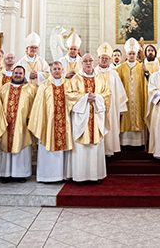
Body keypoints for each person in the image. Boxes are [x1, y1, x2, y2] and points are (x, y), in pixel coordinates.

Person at [65, 53, 110, 182]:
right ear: (81, 63)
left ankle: (96, 176)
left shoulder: (101, 78)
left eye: (90, 60)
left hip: (96, 117)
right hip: (81, 118)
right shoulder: (75, 79)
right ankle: (80, 176)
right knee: (80, 147)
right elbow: (69, 95)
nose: (88, 63)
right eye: (85, 61)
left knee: (95, 146)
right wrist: (85, 98)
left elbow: (107, 94)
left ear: (94, 62)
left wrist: (97, 97)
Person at [29, 61, 74, 183]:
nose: (57, 71)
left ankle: (61, 175)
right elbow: (38, 106)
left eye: (59, 68)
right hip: (48, 123)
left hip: (64, 122)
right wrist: (41, 122)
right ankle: (46, 176)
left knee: (62, 150)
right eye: (54, 69)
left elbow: (74, 100)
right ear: (50, 70)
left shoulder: (69, 84)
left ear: (63, 70)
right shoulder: (44, 85)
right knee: (46, 149)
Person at [0, 65, 36, 181]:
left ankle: (20, 174)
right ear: (12, 74)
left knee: (21, 146)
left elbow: (34, 106)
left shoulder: (30, 88)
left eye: (20, 73)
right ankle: (5, 174)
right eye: (16, 73)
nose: (18, 75)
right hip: (6, 125)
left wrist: (30, 121)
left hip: (22, 125)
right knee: (5, 146)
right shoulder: (4, 88)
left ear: (24, 75)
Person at [96, 42, 128, 156]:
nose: (104, 60)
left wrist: (121, 109)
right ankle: (98, 151)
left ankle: (109, 152)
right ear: (98, 59)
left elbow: (120, 92)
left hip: (112, 109)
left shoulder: (114, 74)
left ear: (109, 59)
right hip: (96, 109)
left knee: (111, 129)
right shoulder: (93, 73)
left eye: (106, 58)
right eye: (102, 58)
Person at [118, 37, 148, 147]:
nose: (131, 55)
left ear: (136, 54)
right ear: (126, 54)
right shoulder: (120, 68)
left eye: (133, 53)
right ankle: (125, 143)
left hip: (138, 98)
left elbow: (146, 83)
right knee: (126, 118)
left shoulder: (141, 67)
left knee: (138, 117)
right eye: (130, 53)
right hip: (125, 99)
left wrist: (146, 73)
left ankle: (138, 143)